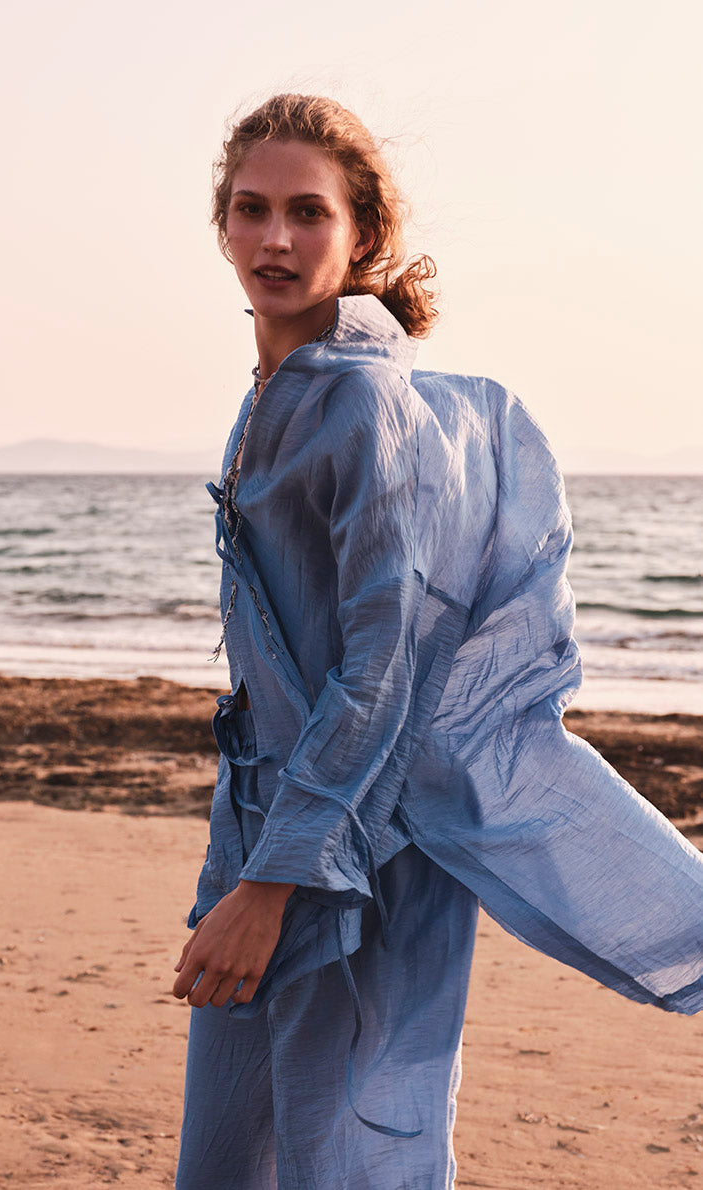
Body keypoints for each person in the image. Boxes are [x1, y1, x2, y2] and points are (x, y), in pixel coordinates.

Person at [172, 94, 703, 1189]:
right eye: (251, 210)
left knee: (347, 1144)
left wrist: (273, 885)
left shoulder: (365, 404)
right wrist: (248, 863)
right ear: (220, 226)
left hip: (349, 851)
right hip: (269, 828)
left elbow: (382, 665)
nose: (275, 239)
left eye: (307, 213)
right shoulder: (273, 394)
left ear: (361, 234)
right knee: (239, 1146)